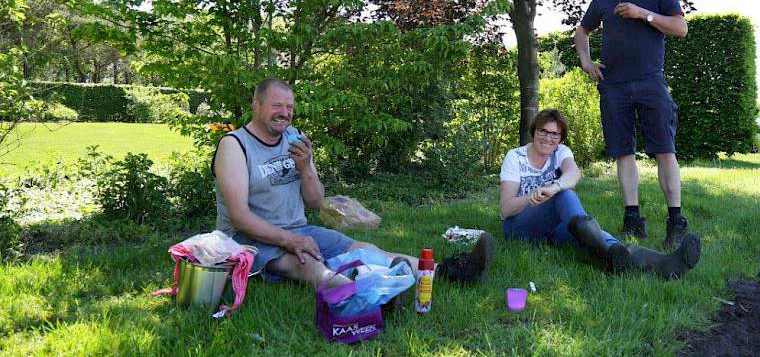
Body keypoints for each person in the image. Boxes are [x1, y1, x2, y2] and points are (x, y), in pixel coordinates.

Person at [212, 78, 493, 294]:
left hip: (298, 228)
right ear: (256, 104)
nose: (285, 113)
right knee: (307, 266)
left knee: (366, 249)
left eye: (289, 107)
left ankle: (449, 271)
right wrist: (290, 241)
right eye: (277, 106)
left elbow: (314, 201)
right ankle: (369, 295)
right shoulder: (235, 145)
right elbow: (239, 217)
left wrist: (306, 168)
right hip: (247, 240)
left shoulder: (295, 138)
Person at [573, 0, 690, 248]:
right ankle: (632, 219)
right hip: (613, 86)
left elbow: (680, 28)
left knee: (665, 150)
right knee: (623, 153)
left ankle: (676, 220)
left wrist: (644, 14)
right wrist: (586, 61)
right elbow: (582, 30)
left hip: (651, 82)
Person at [499, 109, 700, 278]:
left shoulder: (560, 152)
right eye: (543, 131)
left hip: (555, 228)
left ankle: (664, 264)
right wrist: (532, 196)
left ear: (560, 139)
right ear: (534, 131)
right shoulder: (515, 157)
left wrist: (554, 187)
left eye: (555, 134)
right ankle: (609, 257)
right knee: (564, 196)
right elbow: (506, 209)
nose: (548, 138)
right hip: (520, 228)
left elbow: (573, 173)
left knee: (592, 232)